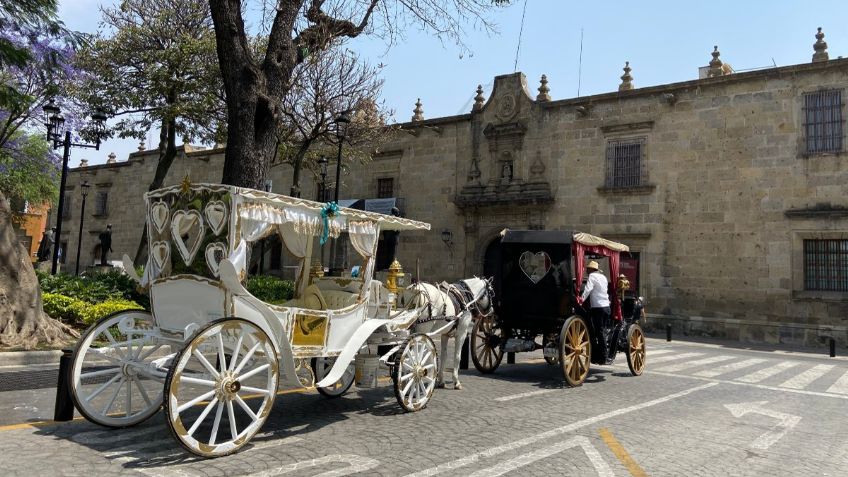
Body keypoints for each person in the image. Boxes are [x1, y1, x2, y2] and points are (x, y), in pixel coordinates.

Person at [580, 260, 613, 364]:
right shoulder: (603, 277)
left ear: (591, 269)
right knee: (601, 331)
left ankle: (603, 356)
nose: (586, 271)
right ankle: (600, 354)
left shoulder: (592, 276)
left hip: (598, 307)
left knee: (599, 332)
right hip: (606, 307)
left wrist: (581, 300)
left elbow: (588, 289)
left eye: (587, 269)